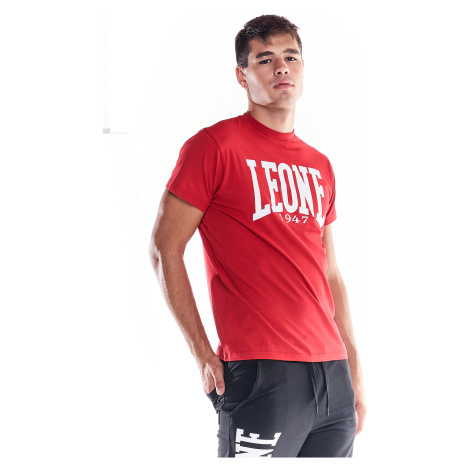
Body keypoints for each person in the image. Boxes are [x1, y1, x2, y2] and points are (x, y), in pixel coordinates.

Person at [148, 14, 367, 458]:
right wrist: (202, 353)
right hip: (263, 370)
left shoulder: (319, 164)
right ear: (242, 75)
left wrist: (355, 373)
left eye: (291, 57)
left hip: (332, 374)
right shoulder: (213, 147)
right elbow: (163, 249)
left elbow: (331, 274)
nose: (281, 67)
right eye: (265, 59)